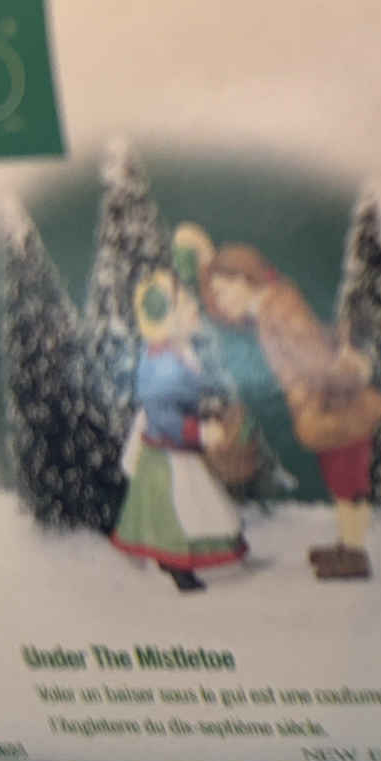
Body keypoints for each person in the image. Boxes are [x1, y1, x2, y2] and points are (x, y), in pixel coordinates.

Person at [195, 235, 381, 579]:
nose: (221, 301)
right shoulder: (267, 307)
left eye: (223, 291)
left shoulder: (280, 311)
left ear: (243, 281)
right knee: (342, 485)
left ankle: (354, 554)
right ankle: (347, 546)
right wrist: (205, 262)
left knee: (349, 486)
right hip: (323, 405)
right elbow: (225, 316)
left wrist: (349, 375)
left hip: (334, 408)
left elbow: (316, 360)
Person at [109, 235, 247, 593]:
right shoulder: (162, 365)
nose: (193, 306)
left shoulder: (175, 349)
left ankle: (177, 557)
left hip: (175, 443)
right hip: (167, 449)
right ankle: (175, 561)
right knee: (177, 505)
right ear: (165, 319)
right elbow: (162, 415)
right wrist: (199, 432)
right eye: (184, 304)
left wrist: (194, 254)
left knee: (187, 502)